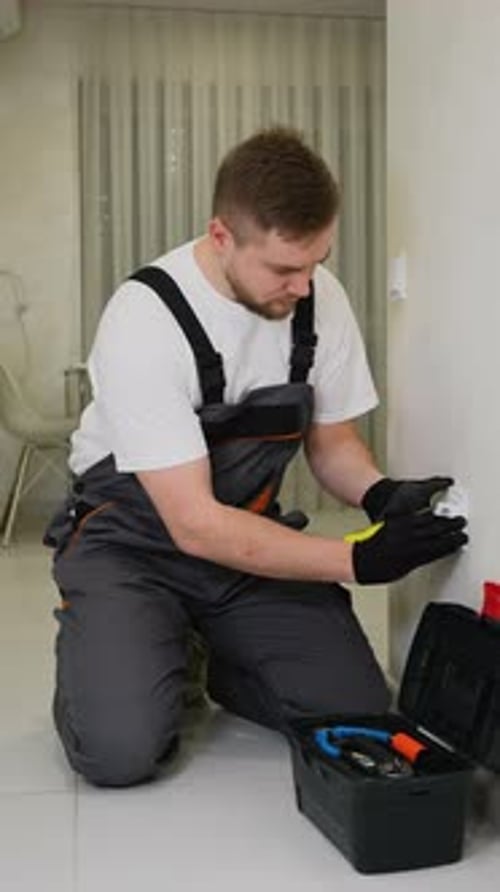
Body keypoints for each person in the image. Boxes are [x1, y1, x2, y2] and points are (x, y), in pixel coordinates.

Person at [44, 127, 467, 788]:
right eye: (283, 270)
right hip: (134, 546)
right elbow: (193, 525)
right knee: (118, 752)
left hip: (247, 539)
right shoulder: (145, 318)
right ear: (221, 237)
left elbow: (332, 444)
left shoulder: (317, 297)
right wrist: (358, 557)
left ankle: (213, 652)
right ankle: (125, 642)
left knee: (356, 707)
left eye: (315, 262)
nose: (304, 286)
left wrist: (381, 494)